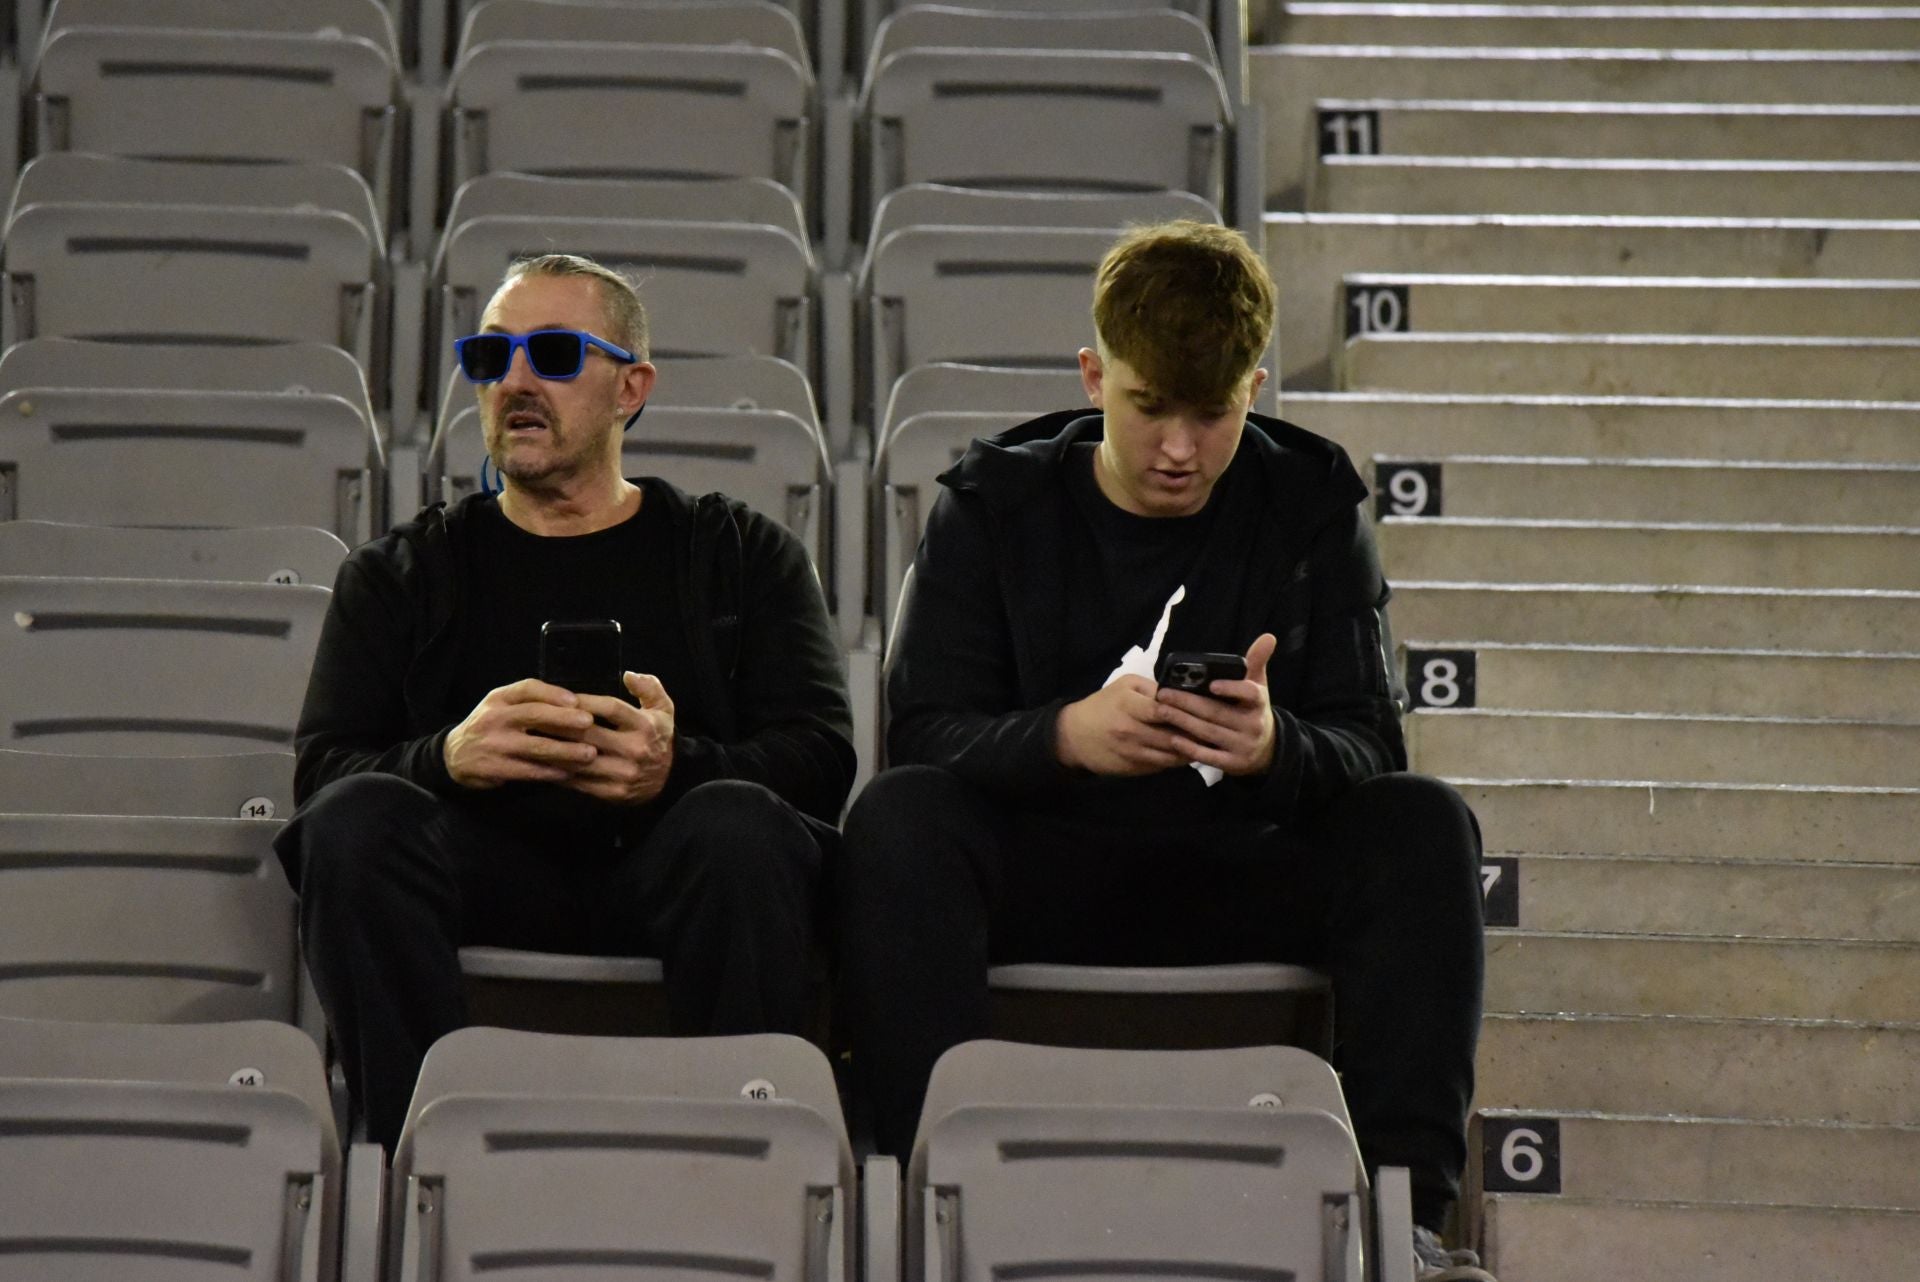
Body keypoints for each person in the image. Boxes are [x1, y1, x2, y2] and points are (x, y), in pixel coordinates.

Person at [837, 222, 1491, 1279]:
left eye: (1215, 412)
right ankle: (926, 1190)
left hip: (1243, 859)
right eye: (1150, 408)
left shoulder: (1311, 502)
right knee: (899, 823)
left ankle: (1400, 1218)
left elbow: (1371, 745)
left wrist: (1275, 748)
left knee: (1424, 823)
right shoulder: (991, 504)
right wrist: (1064, 735)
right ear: (1095, 377)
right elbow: (921, 734)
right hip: (1045, 862)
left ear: (1257, 389)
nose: (1180, 448)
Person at [277, 253, 854, 1151]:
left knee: (743, 826)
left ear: (632, 388)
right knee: (353, 823)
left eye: (549, 354)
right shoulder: (400, 574)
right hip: (480, 872)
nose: (512, 382)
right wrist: (448, 758)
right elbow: (321, 773)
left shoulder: (741, 555)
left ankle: (746, 1157)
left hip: (676, 866)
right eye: (489, 357)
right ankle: (419, 1160)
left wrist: (676, 766)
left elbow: (822, 758)